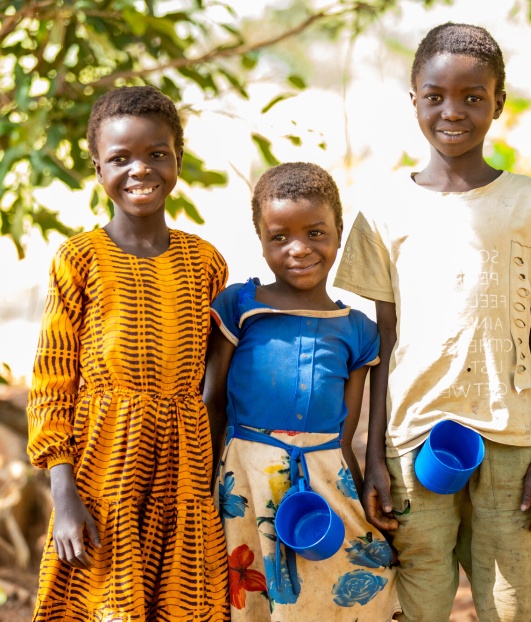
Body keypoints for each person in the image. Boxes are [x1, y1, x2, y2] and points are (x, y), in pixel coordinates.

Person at [334, 22, 531, 622]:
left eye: (472, 97)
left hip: (514, 434)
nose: (452, 112)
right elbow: (383, 340)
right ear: (414, 101)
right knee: (418, 595)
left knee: (522, 603)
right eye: (434, 96)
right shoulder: (385, 208)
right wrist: (376, 453)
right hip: (414, 433)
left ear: (498, 103)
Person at [27, 85, 230, 621]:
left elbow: (215, 378)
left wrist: (212, 473)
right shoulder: (80, 258)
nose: (140, 170)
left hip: (184, 467)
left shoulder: (205, 261)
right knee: (103, 603)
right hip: (103, 467)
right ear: (98, 169)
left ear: (178, 160)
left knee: (183, 603)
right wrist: (63, 492)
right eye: (120, 158)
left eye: (156, 154)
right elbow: (53, 380)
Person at [203, 162, 399, 621]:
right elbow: (212, 399)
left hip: (324, 474)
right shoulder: (241, 305)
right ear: (261, 239)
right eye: (279, 237)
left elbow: (343, 432)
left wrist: (362, 489)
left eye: (315, 233)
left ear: (338, 232)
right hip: (245, 476)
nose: (299, 249)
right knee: (254, 596)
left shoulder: (358, 331)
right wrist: (204, 478)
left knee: (354, 581)